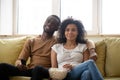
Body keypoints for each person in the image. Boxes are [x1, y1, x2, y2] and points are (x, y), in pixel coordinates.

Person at [0, 15, 61, 80]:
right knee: (2, 66)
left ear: (57, 28)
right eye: (48, 21)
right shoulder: (31, 41)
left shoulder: (57, 42)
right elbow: (21, 60)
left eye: (53, 24)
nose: (49, 24)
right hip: (31, 70)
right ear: (44, 22)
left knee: (38, 69)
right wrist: (19, 64)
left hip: (45, 71)